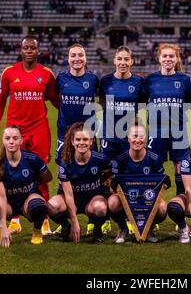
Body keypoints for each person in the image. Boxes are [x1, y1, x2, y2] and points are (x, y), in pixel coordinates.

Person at [0, 35, 59, 236]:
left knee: (41, 174)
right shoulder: (9, 73)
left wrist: (75, 111)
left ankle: (43, 220)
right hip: (14, 132)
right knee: (11, 172)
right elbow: (0, 102)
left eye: (32, 48)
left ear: (38, 51)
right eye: (25, 47)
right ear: (21, 50)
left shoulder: (46, 74)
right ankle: (15, 219)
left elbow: (55, 100)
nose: (29, 50)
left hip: (39, 130)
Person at [54, 44, 109, 235]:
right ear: (68, 58)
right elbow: (55, 99)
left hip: (87, 135)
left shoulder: (93, 79)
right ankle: (66, 220)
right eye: (73, 55)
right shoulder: (61, 78)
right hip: (64, 134)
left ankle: (97, 219)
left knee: (96, 171)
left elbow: (101, 101)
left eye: (80, 55)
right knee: (63, 171)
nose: (77, 58)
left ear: (85, 58)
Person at [0, 125, 52, 246]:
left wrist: (32, 185)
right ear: (3, 140)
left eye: (15, 138)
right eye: (8, 138)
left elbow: (48, 177)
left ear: (21, 140)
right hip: (8, 204)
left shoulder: (32, 159)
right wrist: (3, 225)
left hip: (28, 201)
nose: (11, 141)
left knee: (38, 205)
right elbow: (1, 196)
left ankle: (37, 231)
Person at [47, 122, 112, 243]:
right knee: (51, 205)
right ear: (72, 142)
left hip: (92, 199)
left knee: (101, 208)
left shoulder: (101, 159)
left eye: (85, 139)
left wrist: (106, 184)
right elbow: (69, 194)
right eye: (78, 139)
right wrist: (74, 222)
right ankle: (66, 227)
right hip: (71, 199)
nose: (81, 143)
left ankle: (97, 229)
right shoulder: (65, 162)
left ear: (91, 141)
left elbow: (109, 173)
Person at [144, 43, 191, 199]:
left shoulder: (184, 79)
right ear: (159, 58)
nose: (168, 59)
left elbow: (190, 101)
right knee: (154, 166)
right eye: (164, 56)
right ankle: (155, 207)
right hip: (156, 130)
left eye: (171, 56)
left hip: (178, 129)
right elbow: (141, 100)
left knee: (181, 167)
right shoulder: (151, 80)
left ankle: (180, 206)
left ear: (177, 58)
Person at [109, 122, 168, 243]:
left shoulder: (155, 158)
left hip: (147, 198)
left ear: (146, 138)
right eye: (134, 136)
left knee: (162, 208)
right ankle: (122, 228)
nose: (137, 140)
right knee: (113, 202)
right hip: (126, 198)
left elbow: (160, 186)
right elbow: (112, 187)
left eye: (141, 136)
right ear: (128, 138)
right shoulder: (119, 159)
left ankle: (149, 229)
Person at [99, 46, 145, 161]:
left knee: (127, 172)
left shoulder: (139, 82)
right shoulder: (105, 81)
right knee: (106, 172)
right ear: (114, 60)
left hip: (128, 138)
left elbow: (142, 107)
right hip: (108, 137)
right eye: (119, 59)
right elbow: (101, 104)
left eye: (126, 59)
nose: (122, 62)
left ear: (131, 61)